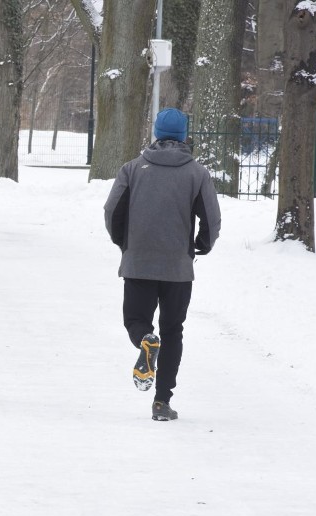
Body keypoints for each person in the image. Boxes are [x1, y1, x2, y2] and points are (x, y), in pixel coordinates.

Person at [103, 107, 221, 421]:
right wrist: (201, 245)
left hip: (139, 261)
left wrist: (125, 244)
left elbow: (112, 211)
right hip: (178, 268)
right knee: (173, 330)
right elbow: (211, 218)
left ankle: (144, 340)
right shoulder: (197, 173)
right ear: (184, 136)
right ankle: (161, 402)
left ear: (156, 132)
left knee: (136, 321)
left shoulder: (132, 169)